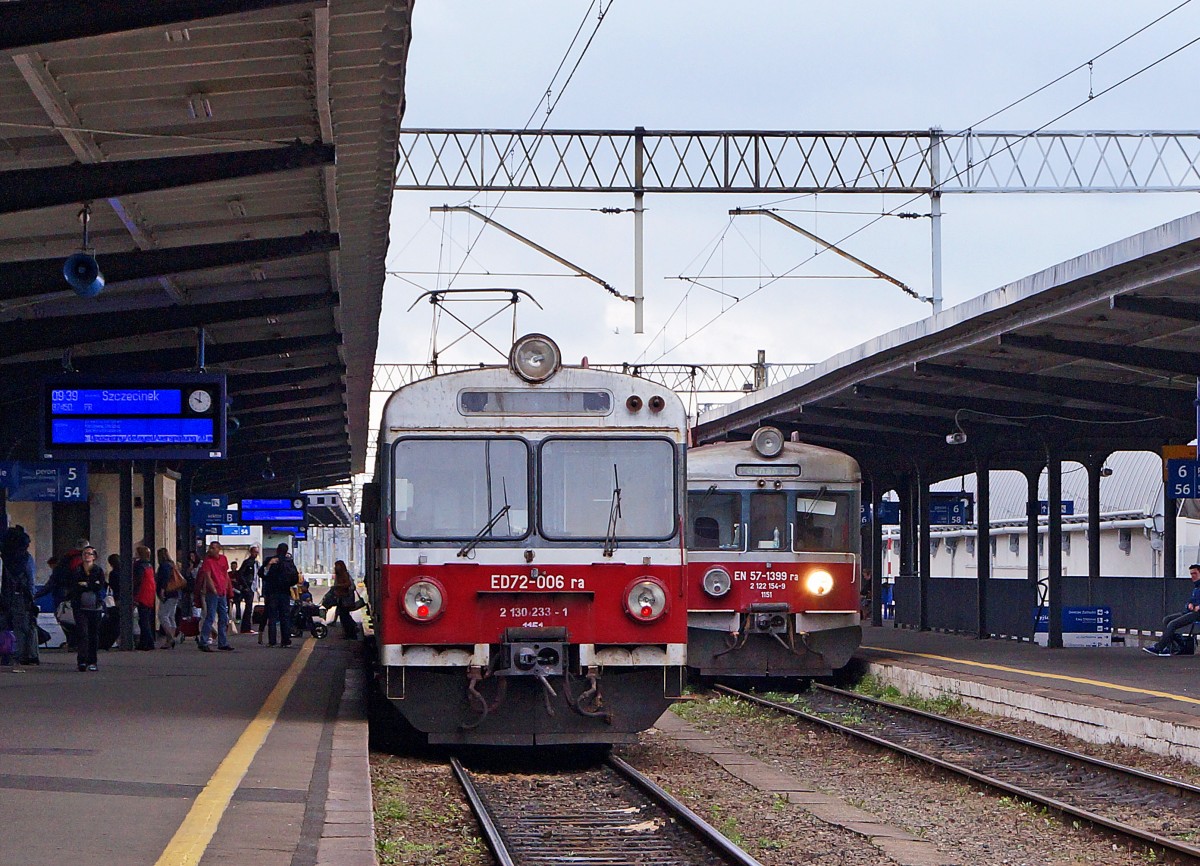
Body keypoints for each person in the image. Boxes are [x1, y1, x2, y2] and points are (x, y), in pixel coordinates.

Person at [1, 526, 39, 666]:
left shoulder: (3, 556)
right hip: (20, 595)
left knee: (4, 625)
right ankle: (25, 654)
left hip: (4, 594)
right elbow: (30, 579)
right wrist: (32, 597)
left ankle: (6, 655)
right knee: (23, 626)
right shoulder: (26, 558)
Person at [1144, 563, 1200, 656]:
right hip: (1190, 612)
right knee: (1167, 619)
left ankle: (1159, 648)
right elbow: (1190, 601)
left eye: (1195, 573)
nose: (1192, 576)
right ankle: (1178, 645)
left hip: (1197, 614)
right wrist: (1189, 605)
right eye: (1191, 574)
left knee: (1173, 624)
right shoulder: (1196, 588)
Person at [67, 546, 106, 671]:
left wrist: (86, 584)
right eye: (84, 553)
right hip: (80, 606)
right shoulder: (77, 570)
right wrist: (90, 585)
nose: (86, 556)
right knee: (82, 633)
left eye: (89, 554)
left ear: (94, 557)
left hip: (95, 607)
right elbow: (74, 586)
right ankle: (82, 661)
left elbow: (99, 586)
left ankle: (92, 661)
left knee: (93, 634)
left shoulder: (98, 570)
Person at [196, 542, 233, 652]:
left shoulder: (223, 559)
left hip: (222, 591)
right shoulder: (208, 562)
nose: (211, 550)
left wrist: (226, 587)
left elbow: (225, 574)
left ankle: (223, 642)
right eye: (210, 548)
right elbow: (208, 576)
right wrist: (214, 589)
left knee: (223, 617)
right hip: (213, 592)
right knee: (210, 616)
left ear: (219, 549)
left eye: (213, 548)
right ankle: (203, 641)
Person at [262, 543, 299, 647]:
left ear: (277, 550)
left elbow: (263, 574)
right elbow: (295, 578)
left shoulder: (271, 560)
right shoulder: (289, 562)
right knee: (285, 617)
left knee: (272, 617)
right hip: (285, 592)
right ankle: (285, 641)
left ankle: (272, 641)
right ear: (286, 550)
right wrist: (288, 584)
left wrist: (269, 565)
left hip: (272, 593)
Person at [155, 548, 182, 649]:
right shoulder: (172, 564)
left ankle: (170, 638)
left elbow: (164, 579)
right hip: (175, 593)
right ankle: (171, 638)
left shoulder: (164, 566)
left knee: (162, 615)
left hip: (168, 593)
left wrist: (162, 590)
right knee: (171, 616)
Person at [133, 546, 157, 651]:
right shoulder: (149, 565)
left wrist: (134, 595)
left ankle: (148, 642)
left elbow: (138, 581)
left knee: (143, 620)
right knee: (145, 619)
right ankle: (145, 642)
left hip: (142, 594)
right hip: (149, 593)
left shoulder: (139, 565)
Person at [329, 560, 360, 640]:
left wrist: (338, 586)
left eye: (337, 566)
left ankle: (351, 633)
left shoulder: (344, 574)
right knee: (344, 616)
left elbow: (348, 584)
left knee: (344, 616)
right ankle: (350, 631)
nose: (336, 567)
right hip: (342, 597)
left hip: (345, 598)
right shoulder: (339, 575)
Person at [237, 546, 260, 635]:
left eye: (257, 552)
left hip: (252, 587)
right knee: (248, 608)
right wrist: (245, 586)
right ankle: (246, 627)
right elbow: (240, 574)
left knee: (249, 608)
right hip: (248, 587)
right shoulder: (248, 562)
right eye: (255, 552)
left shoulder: (256, 563)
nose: (256, 554)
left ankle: (246, 627)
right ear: (251, 552)